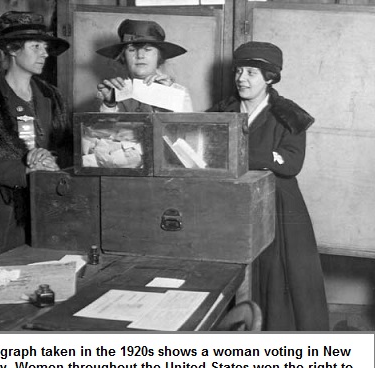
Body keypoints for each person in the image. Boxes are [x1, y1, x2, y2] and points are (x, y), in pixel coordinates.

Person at [209, 41, 329, 331]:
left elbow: (290, 164)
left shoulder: (289, 115)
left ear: (270, 78)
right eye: (239, 71)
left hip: (279, 207)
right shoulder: (221, 112)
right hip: (232, 203)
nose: (241, 78)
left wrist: (241, 154)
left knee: (280, 277)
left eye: (251, 73)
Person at [0, 11, 71, 261]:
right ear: (12, 48)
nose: (44, 53)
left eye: (45, 46)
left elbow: (65, 147)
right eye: (35, 46)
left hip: (48, 208)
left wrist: (48, 160)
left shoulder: (51, 96)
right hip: (2, 216)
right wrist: (26, 172)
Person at [95, 19, 193, 112]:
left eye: (148, 49)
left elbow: (187, 127)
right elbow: (101, 128)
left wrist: (169, 96)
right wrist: (109, 104)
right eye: (132, 50)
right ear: (123, 57)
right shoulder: (108, 93)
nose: (140, 56)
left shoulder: (178, 92)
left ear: (159, 56)